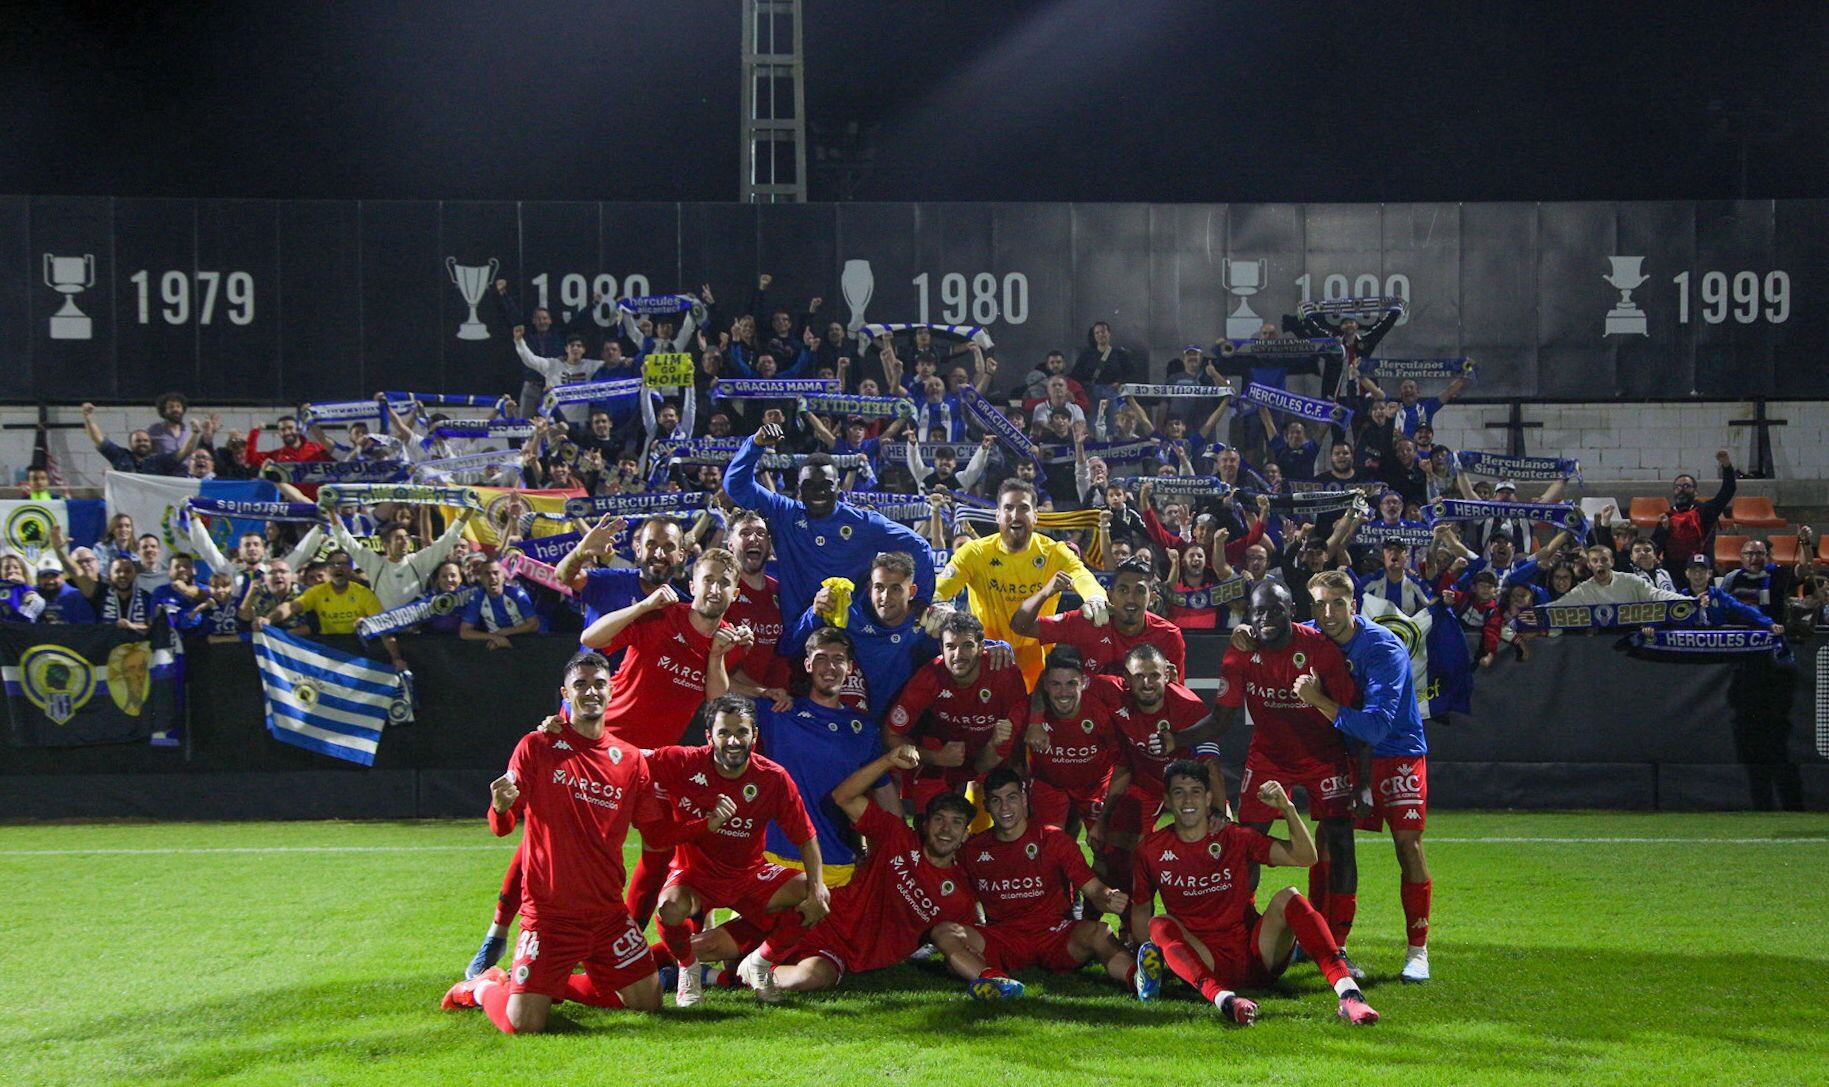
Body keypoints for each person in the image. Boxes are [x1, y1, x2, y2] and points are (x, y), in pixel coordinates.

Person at [439, 652, 716, 1032]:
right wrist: (500, 807)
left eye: (599, 684)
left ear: (612, 690)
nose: (591, 692)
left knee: (648, 1004)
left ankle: (545, 984)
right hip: (549, 915)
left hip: (607, 915)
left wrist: (707, 823)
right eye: (581, 685)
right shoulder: (537, 745)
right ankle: (485, 987)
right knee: (524, 1025)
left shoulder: (631, 760)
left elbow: (656, 835)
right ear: (565, 693)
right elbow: (502, 827)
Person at [1159, 581, 1365, 973]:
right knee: (1243, 842)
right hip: (1269, 757)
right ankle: (1239, 927)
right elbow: (1221, 720)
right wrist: (1179, 739)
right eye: (1259, 612)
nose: (1267, 619)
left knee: (1339, 843)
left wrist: (1363, 778)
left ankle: (1337, 945)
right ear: (1248, 616)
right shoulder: (1241, 653)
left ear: (1291, 610)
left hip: (1324, 757)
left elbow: (1350, 714)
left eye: (1275, 610)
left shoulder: (1320, 649)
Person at [1130, 764, 1379, 1025]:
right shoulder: (1150, 850)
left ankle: (1350, 995)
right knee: (1159, 924)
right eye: (1179, 792)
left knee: (1290, 897)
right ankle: (1226, 1000)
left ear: (1207, 798)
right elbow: (1140, 913)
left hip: (1258, 954)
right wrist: (1159, 954)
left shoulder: (1235, 836)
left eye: (1195, 791)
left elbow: (1306, 857)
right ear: (1167, 800)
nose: (1188, 799)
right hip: (1205, 959)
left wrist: (1288, 809)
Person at [732, 745, 984, 1001]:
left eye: (956, 823)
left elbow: (964, 946)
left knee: (809, 978)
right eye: (940, 819)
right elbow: (844, 796)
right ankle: (722, 967)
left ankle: (724, 978)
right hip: (815, 917)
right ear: (926, 824)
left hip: (844, 953)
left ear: (965, 835)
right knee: (713, 946)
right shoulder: (896, 836)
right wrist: (888, 760)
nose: (946, 829)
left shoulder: (960, 895)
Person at [1292, 570, 1434, 982]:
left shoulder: (1383, 648)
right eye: (1320, 604)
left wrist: (1316, 699)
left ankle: (1417, 951)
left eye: (1338, 603)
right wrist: (1247, 630)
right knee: (1327, 842)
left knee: (1408, 846)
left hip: (1397, 752)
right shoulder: (1312, 635)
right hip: (1346, 754)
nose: (1329, 613)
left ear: (1353, 605)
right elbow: (1276, 631)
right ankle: (1323, 939)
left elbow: (1375, 728)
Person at [643, 695, 827, 1008]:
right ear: (708, 736)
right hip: (694, 876)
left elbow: (806, 837)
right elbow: (619, 759)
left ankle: (759, 963)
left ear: (754, 735)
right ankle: (688, 968)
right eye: (724, 732)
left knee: (812, 895)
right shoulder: (681, 762)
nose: (733, 740)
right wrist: (564, 736)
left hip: (748, 875)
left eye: (741, 732)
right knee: (670, 909)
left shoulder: (773, 777)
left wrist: (817, 887)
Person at [939, 768, 1138, 992]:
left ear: (1024, 800)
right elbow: (958, 897)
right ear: (986, 806)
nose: (1005, 808)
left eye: (1011, 798)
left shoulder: (1052, 839)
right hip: (1003, 938)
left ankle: (1138, 979)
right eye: (996, 800)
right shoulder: (972, 849)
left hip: (1055, 935)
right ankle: (994, 981)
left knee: (1101, 932)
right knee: (944, 932)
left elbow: (1093, 888)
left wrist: (1108, 896)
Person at [724, 423, 936, 625]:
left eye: (826, 485)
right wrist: (755, 444)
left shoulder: (863, 523)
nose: (818, 492)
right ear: (799, 488)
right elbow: (736, 485)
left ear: (838, 487)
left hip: (850, 636)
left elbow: (919, 547)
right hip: (797, 633)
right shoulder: (785, 513)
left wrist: (919, 604)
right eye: (809, 486)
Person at [932, 478, 1109, 687]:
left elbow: (1081, 575)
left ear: (1035, 516)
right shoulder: (974, 553)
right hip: (989, 661)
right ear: (998, 515)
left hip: (1040, 669)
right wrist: (936, 602)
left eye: (1023, 508)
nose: (1015, 515)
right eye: (1008, 508)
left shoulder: (1054, 552)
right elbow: (941, 586)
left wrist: (1096, 597)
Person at [883, 609, 1024, 813]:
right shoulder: (929, 678)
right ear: (941, 648)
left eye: (967, 645)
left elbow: (1011, 738)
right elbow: (891, 734)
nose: (958, 655)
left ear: (981, 647)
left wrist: (994, 749)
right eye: (951, 646)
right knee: (935, 818)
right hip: (943, 760)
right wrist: (934, 757)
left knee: (1013, 804)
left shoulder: (1004, 673)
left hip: (993, 755)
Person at [1010, 558, 1187, 679]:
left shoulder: (1168, 635)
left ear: (1152, 598)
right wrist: (1044, 592)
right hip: (1091, 723)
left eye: (1140, 591)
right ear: (1109, 595)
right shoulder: (1086, 621)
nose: (1131, 599)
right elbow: (1020, 626)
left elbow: (1175, 696)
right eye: (1123, 590)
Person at [332, 511, 474, 611]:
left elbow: (448, 539)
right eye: (398, 538)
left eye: (406, 537)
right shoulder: (375, 563)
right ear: (386, 543)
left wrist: (469, 510)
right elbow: (345, 539)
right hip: (385, 630)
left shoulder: (418, 561)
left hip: (417, 631)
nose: (404, 542)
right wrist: (331, 512)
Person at [259, 549, 381, 636]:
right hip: (329, 645)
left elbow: (379, 622)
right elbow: (290, 606)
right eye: (333, 564)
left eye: (343, 564)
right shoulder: (315, 592)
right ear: (327, 569)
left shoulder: (364, 593)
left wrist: (366, 623)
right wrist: (269, 619)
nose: (338, 568)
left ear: (350, 569)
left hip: (358, 642)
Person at [1652, 451, 1736, 575]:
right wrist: (1663, 529)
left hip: (1701, 569)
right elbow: (1655, 547)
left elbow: (1728, 490)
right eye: (1677, 487)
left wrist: (1726, 466)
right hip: (1673, 570)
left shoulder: (1706, 511)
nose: (1681, 490)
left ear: (1695, 491)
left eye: (1686, 486)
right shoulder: (1667, 516)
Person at [79, 402, 194, 475]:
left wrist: (195, 433)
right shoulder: (120, 455)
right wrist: (88, 418)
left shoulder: (160, 460)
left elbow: (184, 452)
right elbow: (98, 438)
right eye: (138, 441)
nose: (142, 443)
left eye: (145, 441)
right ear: (130, 444)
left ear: (151, 443)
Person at [459, 558, 542, 648]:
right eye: (487, 574)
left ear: (503, 577)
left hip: (524, 640)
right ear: (481, 578)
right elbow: (464, 632)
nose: (492, 577)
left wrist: (505, 633)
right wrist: (494, 637)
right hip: (495, 643)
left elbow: (534, 624)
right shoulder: (477, 598)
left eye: (496, 573)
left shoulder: (516, 594)